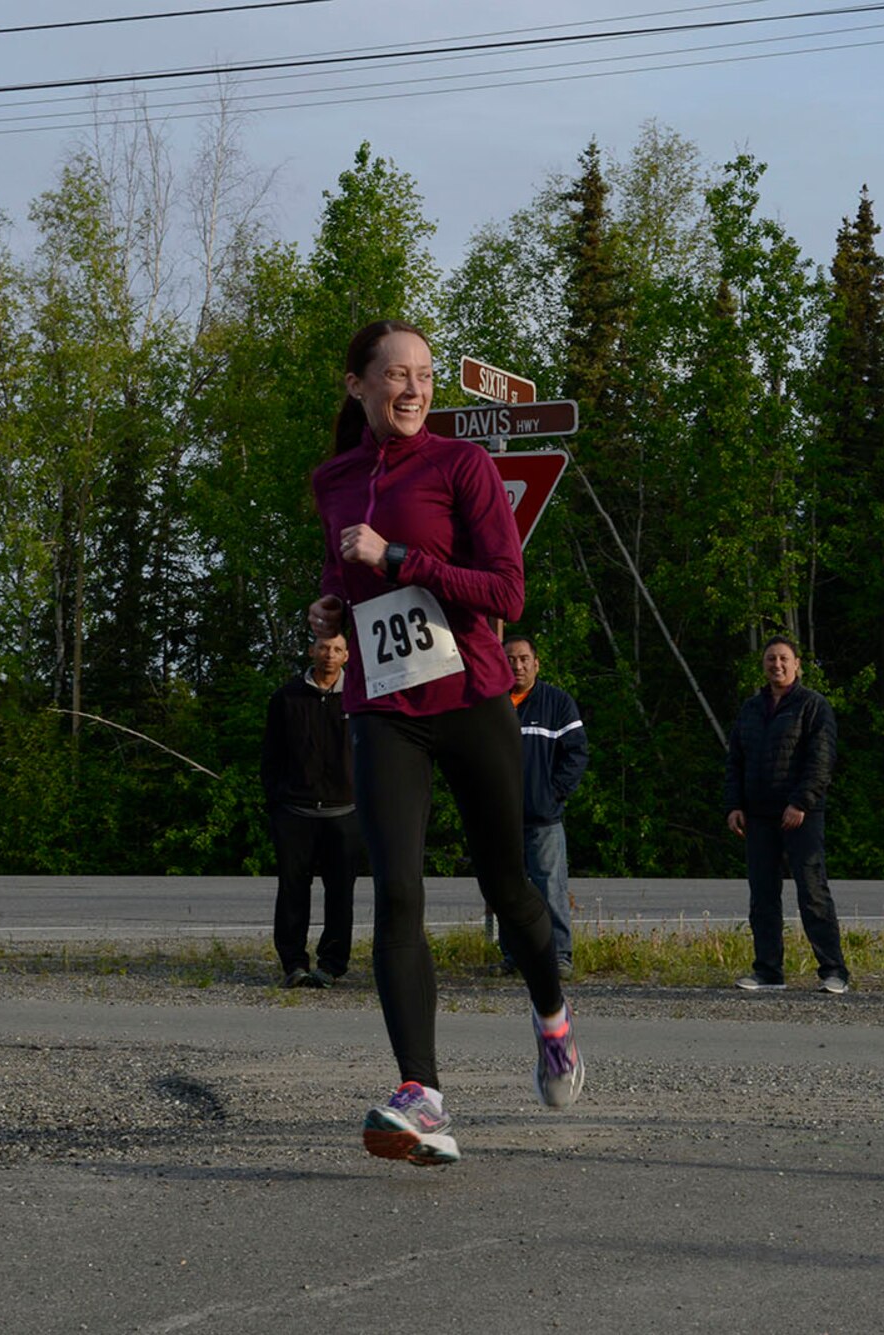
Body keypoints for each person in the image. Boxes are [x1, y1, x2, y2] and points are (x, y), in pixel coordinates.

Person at [307, 319, 582, 1169]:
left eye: (426, 374)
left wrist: (399, 559)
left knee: (510, 886)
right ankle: (420, 1092)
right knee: (397, 891)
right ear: (357, 384)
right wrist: (324, 612)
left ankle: (552, 1016)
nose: (416, 389)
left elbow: (506, 588)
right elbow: (338, 577)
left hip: (471, 696)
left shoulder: (462, 466)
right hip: (384, 710)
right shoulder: (334, 479)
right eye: (397, 375)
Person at [723, 635, 850, 994]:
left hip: (801, 816)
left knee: (812, 892)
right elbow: (735, 760)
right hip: (757, 816)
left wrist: (801, 802)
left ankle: (833, 970)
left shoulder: (813, 706)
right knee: (762, 896)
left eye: (783, 659)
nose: (776, 665)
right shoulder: (751, 708)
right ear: (763, 666)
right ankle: (768, 971)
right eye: (770, 660)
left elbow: (821, 760)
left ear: (797, 665)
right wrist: (734, 805)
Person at [259, 632, 363, 990]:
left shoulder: (359, 697)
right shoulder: (287, 697)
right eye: (322, 648)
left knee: (340, 894)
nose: (329, 655)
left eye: (336, 649)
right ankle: (293, 963)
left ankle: (332, 965)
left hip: (345, 813)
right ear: (310, 651)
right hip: (295, 812)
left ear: (347, 655)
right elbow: (270, 757)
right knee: (292, 891)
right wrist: (277, 803)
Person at [504, 633, 589, 978]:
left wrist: (552, 794)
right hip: (500, 820)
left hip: (543, 819)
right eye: (510, 659)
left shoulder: (557, 702)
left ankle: (559, 956)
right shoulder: (490, 704)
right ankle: (514, 956)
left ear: (536, 663)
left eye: (524, 659)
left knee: (550, 889)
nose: (518, 665)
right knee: (509, 893)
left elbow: (577, 753)